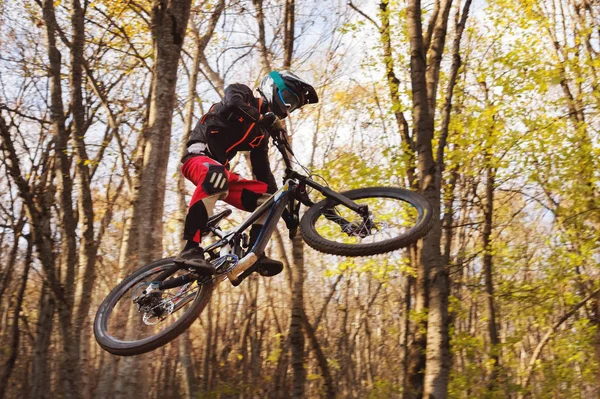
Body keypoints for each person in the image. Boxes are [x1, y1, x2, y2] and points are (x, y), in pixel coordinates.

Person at [175, 70, 319, 276]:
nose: (287, 108)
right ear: (272, 88)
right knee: (216, 175)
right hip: (197, 159)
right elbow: (233, 103)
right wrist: (263, 119)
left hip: (221, 175)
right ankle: (190, 248)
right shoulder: (242, 93)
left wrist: (284, 210)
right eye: (287, 99)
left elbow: (264, 173)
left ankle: (253, 255)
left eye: (292, 106)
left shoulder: (261, 135)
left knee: (270, 199)